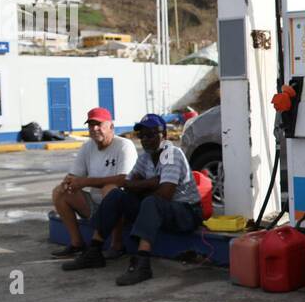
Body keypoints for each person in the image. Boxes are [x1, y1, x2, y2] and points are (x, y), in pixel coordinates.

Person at [62, 113, 203, 286]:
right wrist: (152, 182)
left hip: (186, 212)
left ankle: (142, 263)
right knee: (116, 195)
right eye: (142, 135)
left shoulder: (171, 154)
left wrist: (142, 186)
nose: (146, 139)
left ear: (164, 136)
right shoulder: (145, 158)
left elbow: (165, 193)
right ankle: (94, 250)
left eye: (151, 134)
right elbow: (126, 183)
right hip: (162, 210)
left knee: (150, 202)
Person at [50, 107, 136, 259]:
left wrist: (85, 181)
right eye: (90, 125)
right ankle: (77, 243)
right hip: (95, 204)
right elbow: (74, 175)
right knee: (59, 192)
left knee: (111, 190)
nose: (94, 128)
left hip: (121, 208)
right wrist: (68, 182)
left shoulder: (124, 145)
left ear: (111, 127)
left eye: (99, 124)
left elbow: (124, 180)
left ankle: (117, 245)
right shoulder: (87, 147)